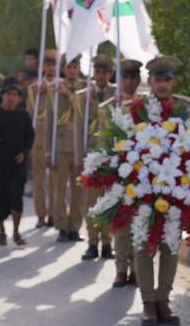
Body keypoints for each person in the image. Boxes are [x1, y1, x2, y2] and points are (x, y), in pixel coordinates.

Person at [134, 56, 187, 325]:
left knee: (171, 244)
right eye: (158, 79)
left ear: (172, 80)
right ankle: (148, 303)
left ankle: (163, 300)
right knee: (143, 244)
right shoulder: (135, 108)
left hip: (176, 189)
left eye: (167, 79)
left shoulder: (185, 107)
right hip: (143, 186)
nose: (163, 84)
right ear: (150, 80)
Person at [96, 59, 142, 288]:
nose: (130, 81)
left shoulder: (147, 106)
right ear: (119, 79)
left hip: (142, 173)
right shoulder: (107, 107)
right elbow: (103, 142)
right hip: (118, 172)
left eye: (134, 77)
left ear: (140, 79)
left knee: (139, 222)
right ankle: (121, 269)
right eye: (125, 77)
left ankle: (137, 269)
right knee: (121, 222)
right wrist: (106, 170)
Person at [0, 77, 34, 246]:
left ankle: (16, 232)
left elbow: (30, 137)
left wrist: (24, 153)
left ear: (19, 98)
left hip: (17, 164)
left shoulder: (23, 115)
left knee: (17, 197)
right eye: (8, 94)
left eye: (15, 95)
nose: (11, 98)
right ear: (2, 95)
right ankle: (2, 230)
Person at [74, 55, 117, 260]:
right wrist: (79, 158)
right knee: (90, 202)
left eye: (104, 73)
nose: (100, 76)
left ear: (110, 74)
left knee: (108, 200)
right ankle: (92, 242)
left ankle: (107, 243)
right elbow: (78, 128)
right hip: (90, 155)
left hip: (109, 156)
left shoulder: (116, 95)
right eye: (97, 72)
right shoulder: (83, 96)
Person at [52, 55, 85, 243]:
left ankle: (75, 228)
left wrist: (69, 94)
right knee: (59, 189)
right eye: (69, 67)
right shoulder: (54, 88)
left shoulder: (85, 88)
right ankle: (62, 227)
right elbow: (49, 117)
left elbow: (85, 109)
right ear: (64, 69)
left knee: (78, 190)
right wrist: (48, 149)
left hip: (79, 146)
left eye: (75, 66)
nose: (72, 70)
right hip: (61, 145)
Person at [27, 50, 57, 228]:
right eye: (47, 65)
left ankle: (54, 214)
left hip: (55, 140)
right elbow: (31, 114)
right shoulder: (34, 89)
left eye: (53, 64)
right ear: (42, 67)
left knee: (55, 179)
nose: (50, 68)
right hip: (38, 139)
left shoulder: (61, 87)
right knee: (39, 180)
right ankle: (40, 214)